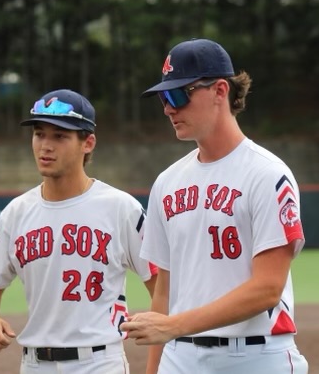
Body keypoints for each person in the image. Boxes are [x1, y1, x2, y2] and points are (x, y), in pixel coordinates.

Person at [120, 38, 308, 374]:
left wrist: (175, 325)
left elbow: (267, 288)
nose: (168, 108)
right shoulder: (166, 182)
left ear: (220, 91)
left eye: (178, 94)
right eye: (164, 98)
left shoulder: (267, 174)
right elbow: (164, 294)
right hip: (180, 358)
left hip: (255, 356)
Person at [0, 89, 157, 374]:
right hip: (33, 364)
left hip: (99, 362)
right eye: (39, 133)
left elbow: (161, 285)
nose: (46, 145)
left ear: (88, 143)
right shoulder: (16, 213)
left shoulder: (121, 208)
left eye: (60, 136)